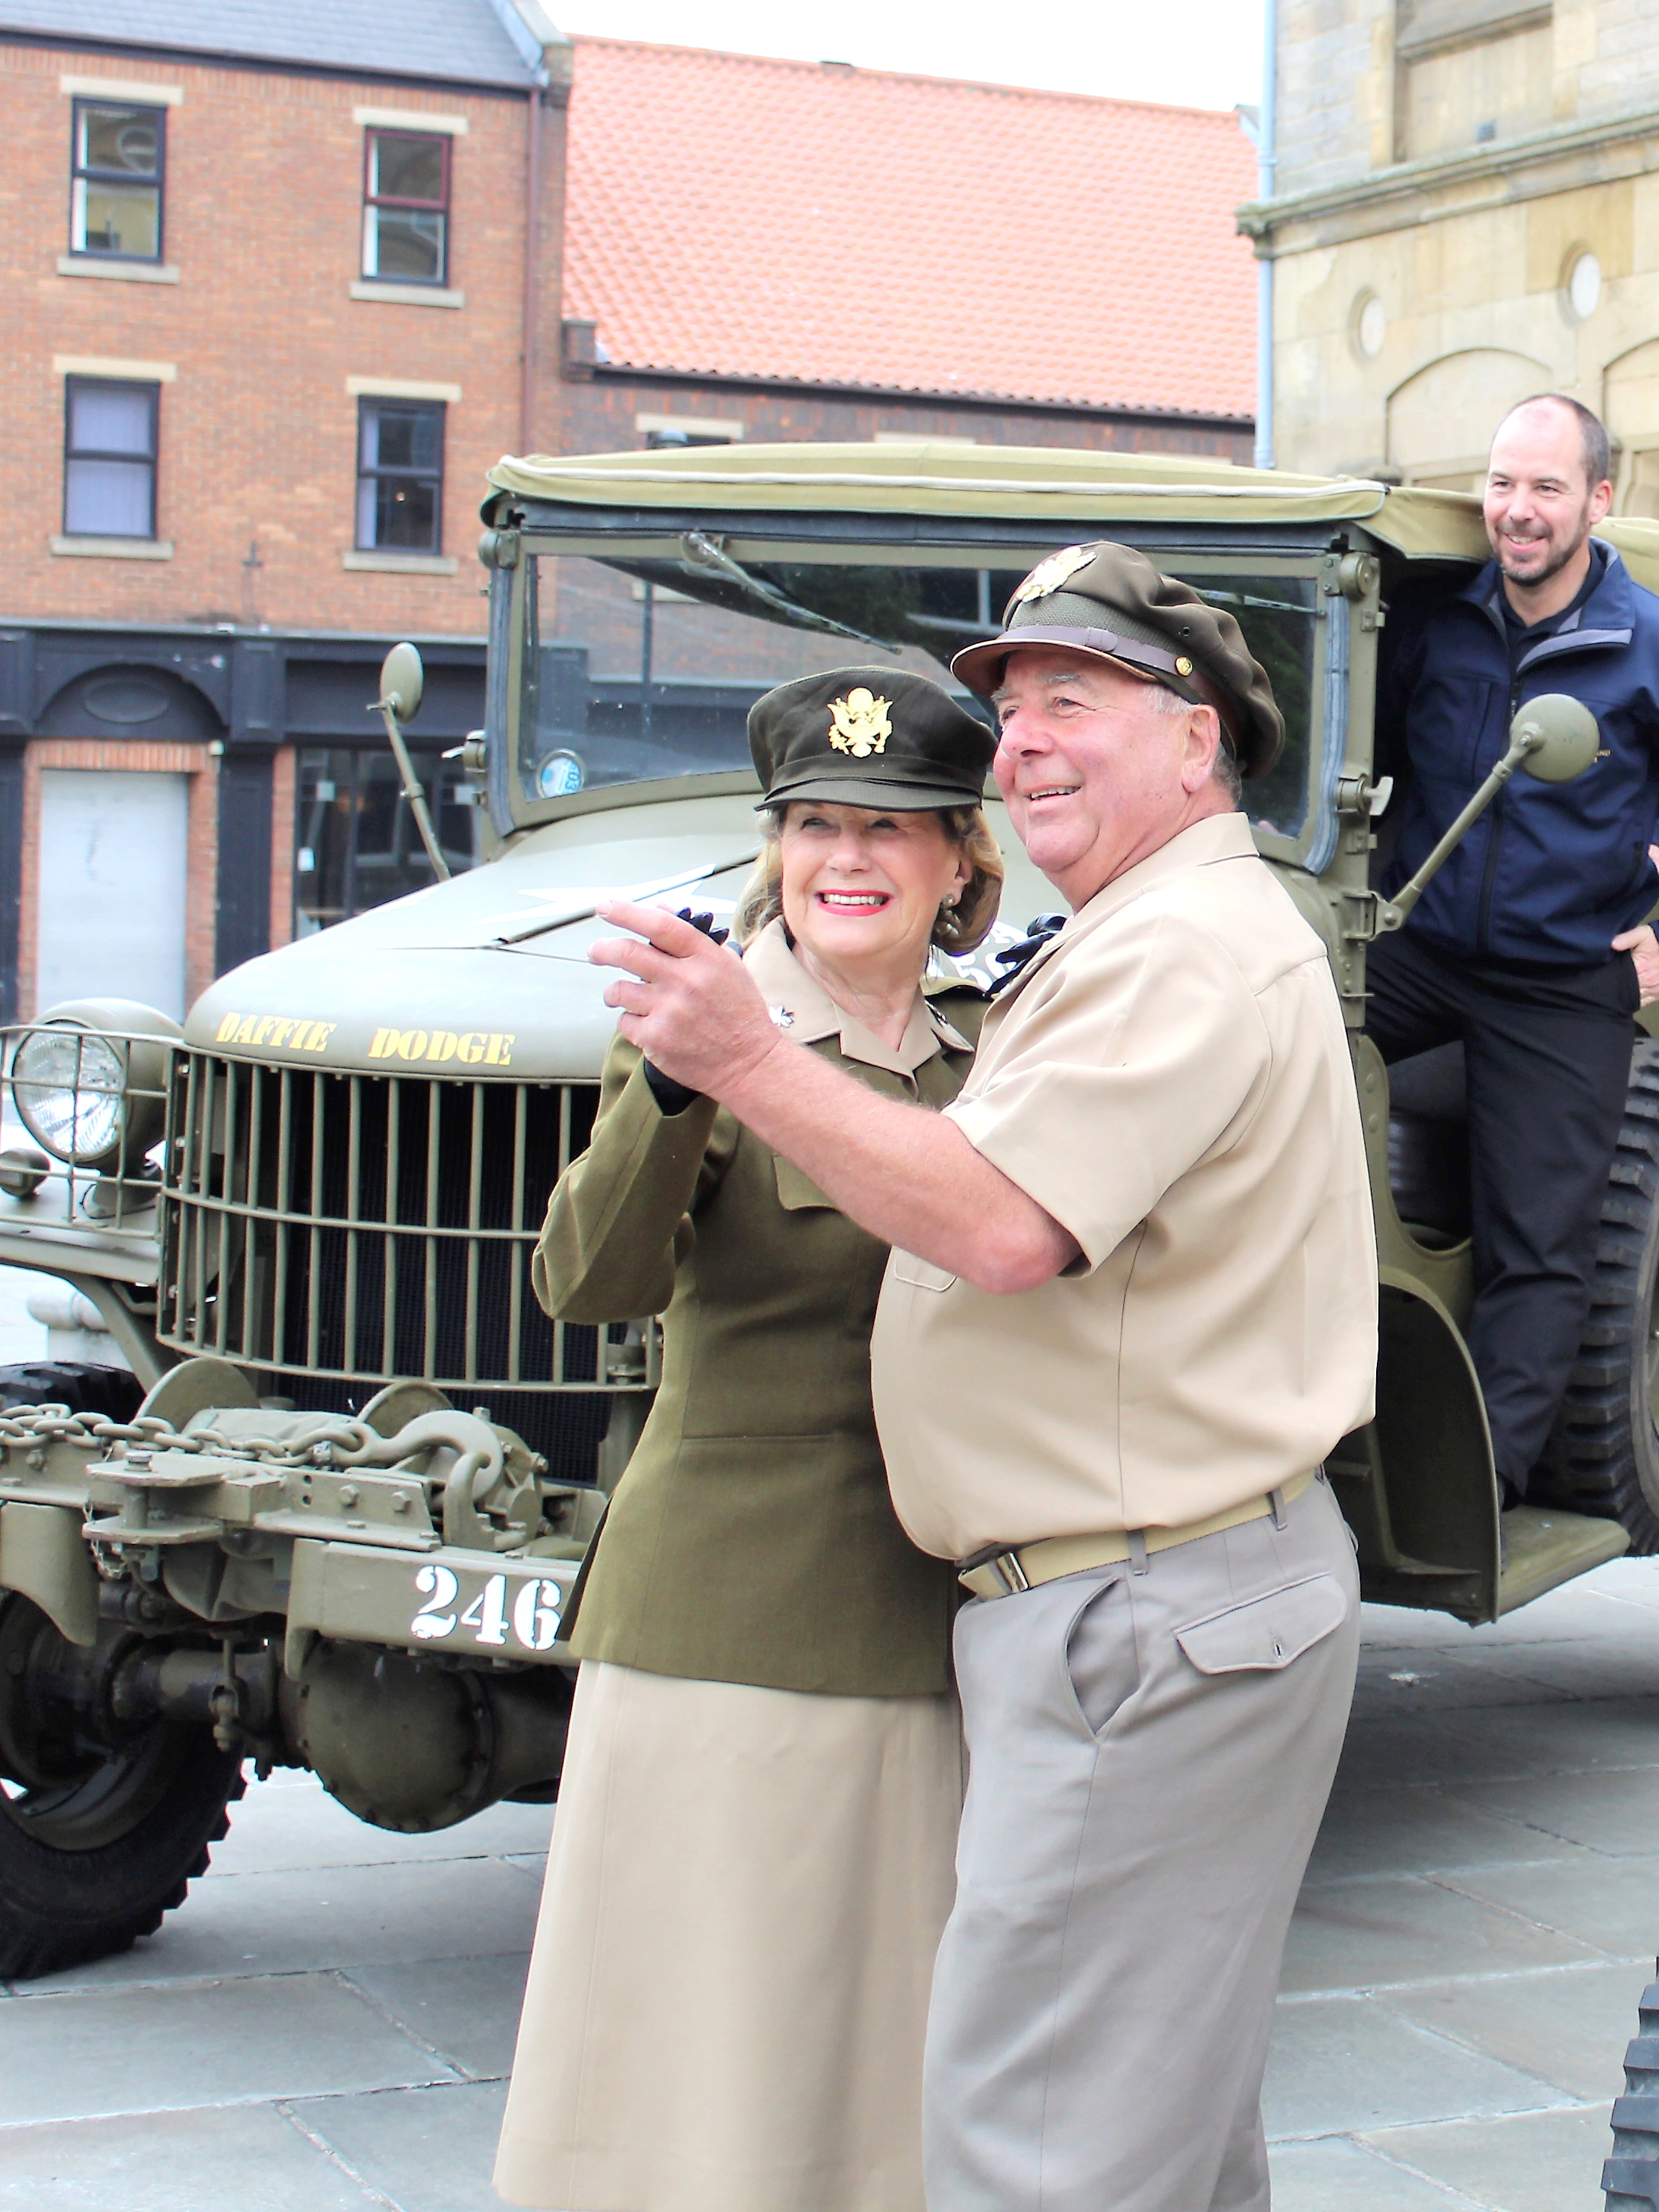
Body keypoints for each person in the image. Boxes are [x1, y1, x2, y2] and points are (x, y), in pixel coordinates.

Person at [580, 542, 1374, 2212]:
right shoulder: (1144, 936)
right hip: (1128, 1599)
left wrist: (737, 1055)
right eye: (1012, 716)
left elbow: (1003, 1226)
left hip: (1140, 1611)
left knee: (1043, 2150)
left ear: (1197, 737)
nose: (1025, 749)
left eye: (1070, 704)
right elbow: (598, 1271)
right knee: (1149, 2136)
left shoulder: (1177, 950)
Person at [493, 665, 1003, 2212]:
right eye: (817, 826)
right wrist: (676, 1076)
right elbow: (587, 1282)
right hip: (729, 1629)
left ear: (959, 862)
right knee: (702, 2082)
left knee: (872, 2086)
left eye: (892, 829)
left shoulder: (1005, 1052)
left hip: (937, 1629)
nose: (848, 859)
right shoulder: (705, 1030)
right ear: (775, 848)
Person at [1369, 392, 1659, 1498]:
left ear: (1599, 499)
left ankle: (1477, 1487)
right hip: (1419, 944)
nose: (1518, 510)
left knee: (1541, 1242)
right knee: (1281, 1036)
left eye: (1547, 487)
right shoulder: (1433, 626)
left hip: (1559, 980)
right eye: (1502, 483)